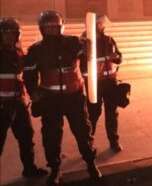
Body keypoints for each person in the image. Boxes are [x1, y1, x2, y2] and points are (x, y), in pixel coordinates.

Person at [23, 11, 101, 185]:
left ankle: (90, 163)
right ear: (42, 29)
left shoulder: (73, 43)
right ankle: (55, 169)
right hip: (50, 100)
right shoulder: (36, 50)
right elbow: (29, 74)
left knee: (83, 132)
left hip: (74, 97)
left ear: (61, 26)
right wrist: (33, 92)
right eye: (47, 27)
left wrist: (89, 46)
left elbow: (88, 55)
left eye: (55, 26)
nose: (51, 29)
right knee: (51, 136)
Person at [0, 17, 48, 178]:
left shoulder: (18, 52)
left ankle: (29, 169)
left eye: (13, 34)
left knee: (26, 137)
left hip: (18, 103)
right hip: (1, 106)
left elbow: (23, 77)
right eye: (6, 34)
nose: (10, 37)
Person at [81, 14, 124, 151]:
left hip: (110, 82)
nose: (103, 27)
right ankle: (89, 142)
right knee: (93, 113)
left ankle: (114, 141)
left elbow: (119, 57)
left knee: (112, 113)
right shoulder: (84, 42)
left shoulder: (109, 40)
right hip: (94, 84)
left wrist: (117, 57)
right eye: (101, 24)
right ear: (94, 25)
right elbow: (84, 62)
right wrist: (106, 57)